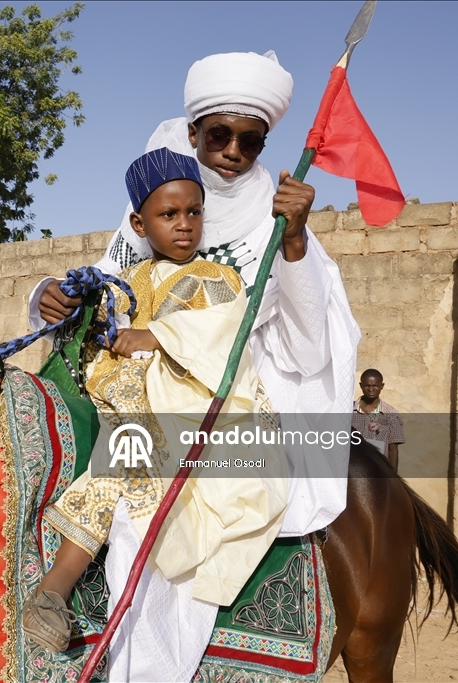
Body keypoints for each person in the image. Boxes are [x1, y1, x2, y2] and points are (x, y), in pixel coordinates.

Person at [27, 51, 361, 680]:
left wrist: (293, 241)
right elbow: (107, 283)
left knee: (151, 510)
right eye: (219, 135)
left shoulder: (279, 215)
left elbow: (306, 337)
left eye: (250, 140)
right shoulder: (166, 186)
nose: (233, 150)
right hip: (126, 380)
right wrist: (52, 295)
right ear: (194, 133)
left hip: (232, 384)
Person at [22, 149, 288, 657]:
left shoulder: (219, 277)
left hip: (191, 404)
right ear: (139, 223)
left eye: (194, 212)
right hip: (120, 396)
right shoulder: (129, 279)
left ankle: (55, 590)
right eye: (169, 215)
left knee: (126, 457)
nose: (185, 225)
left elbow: (225, 334)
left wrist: (158, 336)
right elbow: (99, 326)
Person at [352, 368, 405, 471]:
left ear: (382, 386)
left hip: (379, 470)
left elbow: (393, 450)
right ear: (361, 386)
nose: (371, 389)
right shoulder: (348, 411)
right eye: (367, 385)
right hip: (354, 469)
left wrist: (393, 479)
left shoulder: (391, 414)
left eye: (375, 386)